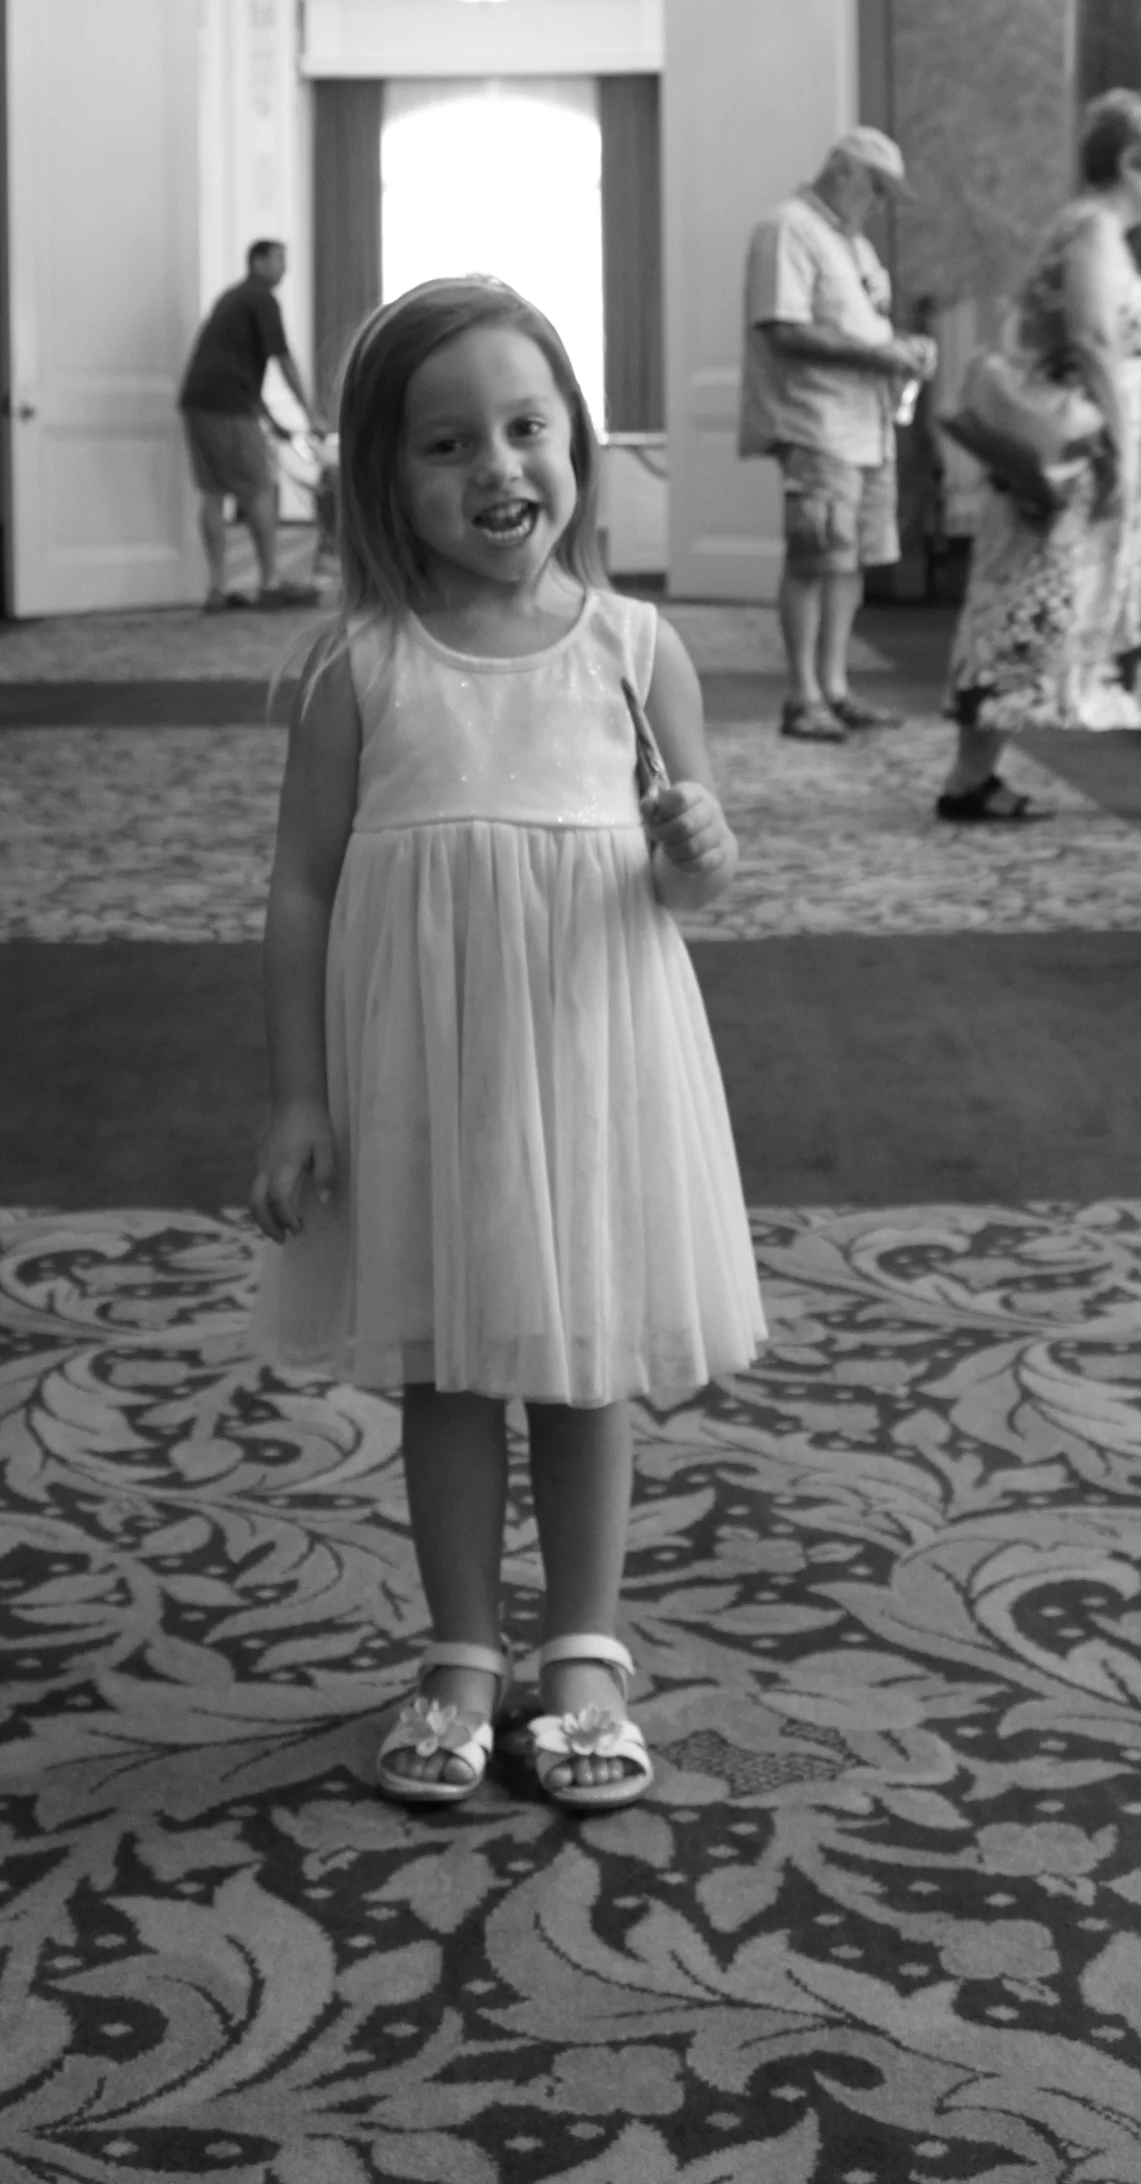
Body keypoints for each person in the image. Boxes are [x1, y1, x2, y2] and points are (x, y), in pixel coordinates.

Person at [249, 276, 762, 1817]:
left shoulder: (635, 651)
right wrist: (299, 1097)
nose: (499, 468)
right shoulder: (359, 670)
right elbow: (301, 889)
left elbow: (691, 882)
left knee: (585, 1360)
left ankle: (585, 1650)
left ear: (577, 443)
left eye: (528, 428)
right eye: (448, 442)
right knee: (450, 1367)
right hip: (429, 1079)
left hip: (593, 1070)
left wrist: (699, 848)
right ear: (383, 477)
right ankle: (464, 1649)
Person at [939, 89, 1141, 823]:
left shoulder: (1099, 233)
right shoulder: (1091, 227)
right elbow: (1091, 341)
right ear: (1130, 163)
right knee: (1028, 611)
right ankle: (967, 780)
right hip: (1084, 470)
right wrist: (1121, 451)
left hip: (1111, 472)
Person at [739, 126, 936, 742]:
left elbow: (863, 325)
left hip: (866, 427)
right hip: (816, 423)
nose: (877, 203)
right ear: (842, 170)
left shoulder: (853, 245)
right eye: (875, 187)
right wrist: (880, 355)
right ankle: (802, 696)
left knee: (850, 563)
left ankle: (835, 687)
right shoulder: (788, 228)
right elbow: (782, 328)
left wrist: (903, 349)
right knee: (815, 555)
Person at [178, 238, 319, 611]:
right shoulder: (260, 299)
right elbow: (283, 359)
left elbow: (235, 369)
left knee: (213, 491)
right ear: (257, 261)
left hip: (198, 402)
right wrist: (311, 414)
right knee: (258, 489)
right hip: (227, 406)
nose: (285, 269)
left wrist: (271, 421)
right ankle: (270, 584)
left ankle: (216, 589)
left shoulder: (232, 299)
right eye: (279, 260)